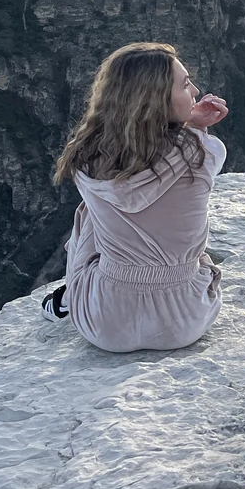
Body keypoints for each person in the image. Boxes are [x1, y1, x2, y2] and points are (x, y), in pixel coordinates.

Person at [42, 42, 229, 352]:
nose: (195, 90)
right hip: (186, 320)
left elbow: (134, 178)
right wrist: (193, 127)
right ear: (156, 101)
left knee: (91, 211)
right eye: (185, 85)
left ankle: (70, 299)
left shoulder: (86, 163)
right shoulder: (208, 153)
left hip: (106, 324)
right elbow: (171, 166)